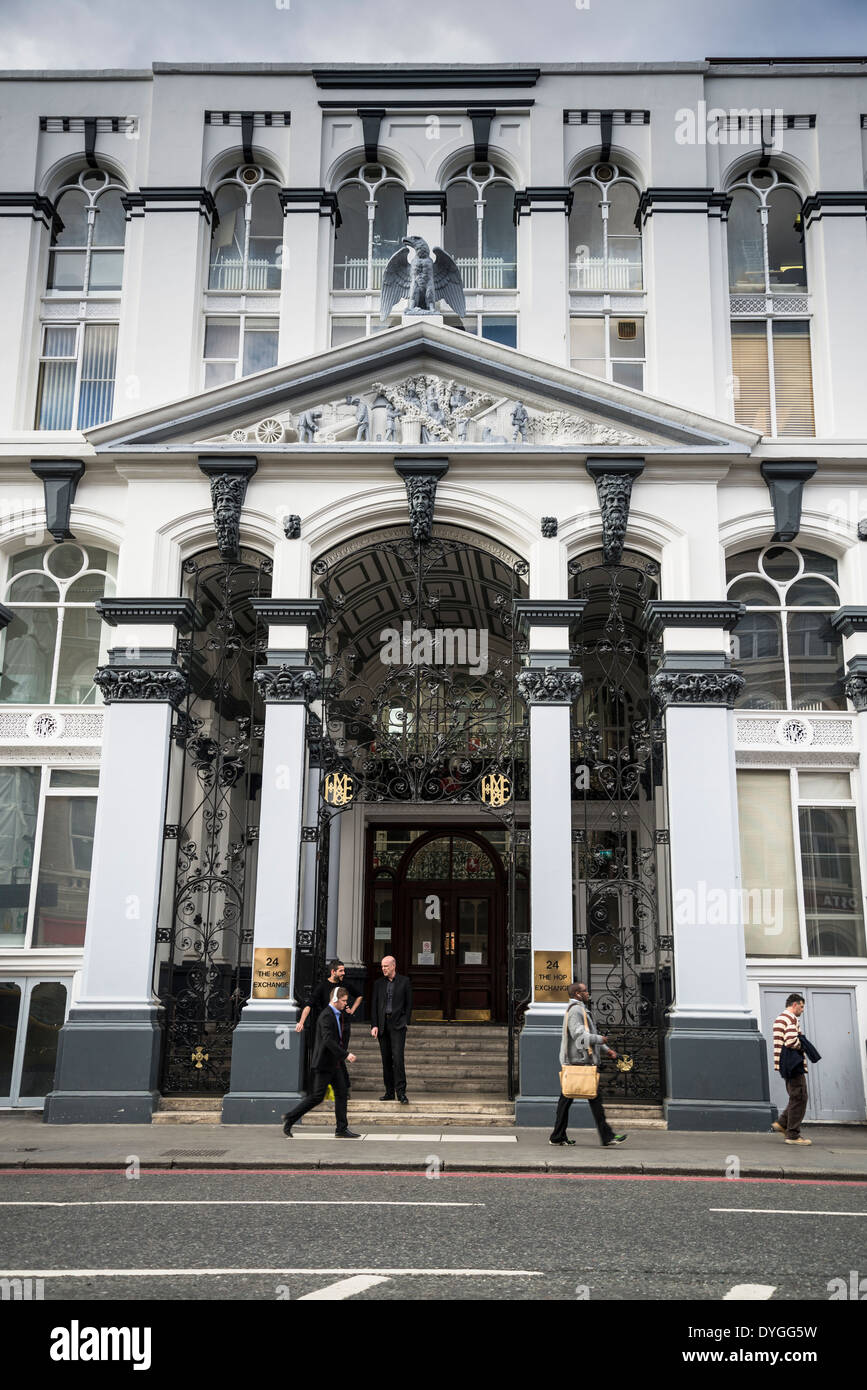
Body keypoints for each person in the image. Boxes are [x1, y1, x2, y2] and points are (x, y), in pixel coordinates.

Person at [549, 981, 627, 1148]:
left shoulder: (580, 1009)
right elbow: (579, 1035)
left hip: (579, 1061)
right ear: (577, 994)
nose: (588, 992)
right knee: (592, 1098)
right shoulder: (576, 1010)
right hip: (579, 1062)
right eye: (585, 991)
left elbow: (588, 1034)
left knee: (567, 1099)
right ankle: (607, 1136)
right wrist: (600, 1039)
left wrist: (607, 1050)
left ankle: (557, 1136)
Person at [282, 986, 360, 1139]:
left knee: (342, 1092)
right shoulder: (326, 1016)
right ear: (335, 1000)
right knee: (317, 1096)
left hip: (335, 1064)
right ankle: (290, 1117)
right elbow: (328, 1040)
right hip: (324, 1063)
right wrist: (346, 1054)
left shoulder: (338, 1014)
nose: (346, 1003)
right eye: (343, 1001)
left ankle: (341, 1129)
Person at [371, 955, 413, 1103]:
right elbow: (374, 1005)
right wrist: (374, 1025)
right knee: (386, 1060)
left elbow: (409, 1003)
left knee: (398, 1059)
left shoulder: (404, 982)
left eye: (386, 966)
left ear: (393, 966)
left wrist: (405, 1021)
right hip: (382, 1026)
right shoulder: (378, 983)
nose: (383, 969)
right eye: (382, 966)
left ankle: (401, 1092)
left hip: (398, 1025)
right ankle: (389, 1092)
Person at [772, 992, 811, 1145]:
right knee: (800, 1097)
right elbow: (790, 1041)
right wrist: (803, 1045)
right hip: (793, 1064)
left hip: (783, 1063)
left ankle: (782, 1123)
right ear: (794, 1005)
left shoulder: (779, 1018)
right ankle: (793, 1135)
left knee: (796, 1096)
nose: (802, 1010)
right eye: (801, 1007)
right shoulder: (791, 1018)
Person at [295, 960, 361, 1033]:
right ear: (333, 972)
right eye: (341, 971)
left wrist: (352, 1010)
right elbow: (309, 1004)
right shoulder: (322, 986)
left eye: (343, 970)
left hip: (343, 1024)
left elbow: (359, 996)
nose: (344, 973)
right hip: (328, 1023)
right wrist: (301, 1022)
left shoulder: (345, 984)